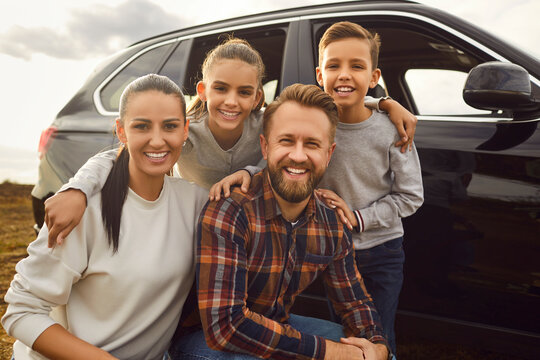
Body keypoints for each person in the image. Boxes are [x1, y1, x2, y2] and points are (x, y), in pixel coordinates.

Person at [42, 37, 418, 247]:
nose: (231, 101)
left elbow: (317, 106)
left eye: (244, 92)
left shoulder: (268, 124)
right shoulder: (186, 131)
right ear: (203, 91)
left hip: (256, 236)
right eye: (220, 89)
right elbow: (117, 156)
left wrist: (383, 102)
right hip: (194, 233)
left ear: (258, 98)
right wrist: (76, 189)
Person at [210, 22, 424, 356]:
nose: (344, 75)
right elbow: (278, 156)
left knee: (377, 332)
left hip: (376, 245)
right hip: (320, 237)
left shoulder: (392, 129)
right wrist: (248, 173)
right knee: (329, 327)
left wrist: (386, 104)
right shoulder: (314, 121)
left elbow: (411, 195)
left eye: (357, 66)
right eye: (334, 66)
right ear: (319, 75)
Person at [170, 84, 390, 360]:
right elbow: (225, 328)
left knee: (368, 352)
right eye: (286, 141)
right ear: (265, 146)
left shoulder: (330, 221)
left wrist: (378, 346)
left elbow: (355, 302)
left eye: (312, 144)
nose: (298, 156)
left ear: (329, 153)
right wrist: (334, 354)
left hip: (275, 326)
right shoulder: (231, 210)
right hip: (203, 341)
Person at [1, 74, 208, 360]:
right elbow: (21, 310)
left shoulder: (195, 202)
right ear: (121, 132)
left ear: (185, 130)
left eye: (170, 126)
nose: (158, 140)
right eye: (142, 126)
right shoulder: (83, 209)